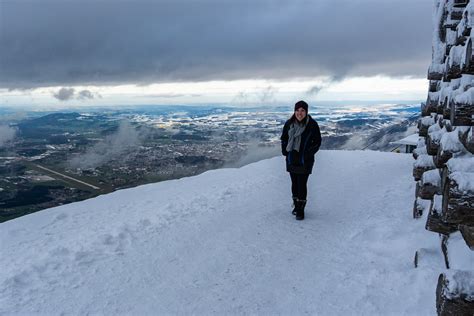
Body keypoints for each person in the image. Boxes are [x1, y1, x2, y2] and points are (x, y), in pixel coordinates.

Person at [280, 100, 321, 220]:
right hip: (292, 159)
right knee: (294, 184)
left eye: (302, 110)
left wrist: (308, 153)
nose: (299, 113)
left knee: (302, 184)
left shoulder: (312, 124)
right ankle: (296, 205)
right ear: (294, 111)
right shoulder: (289, 123)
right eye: (297, 110)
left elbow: (317, 141)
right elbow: (284, 138)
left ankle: (300, 210)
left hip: (304, 161)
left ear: (306, 112)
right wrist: (285, 151)